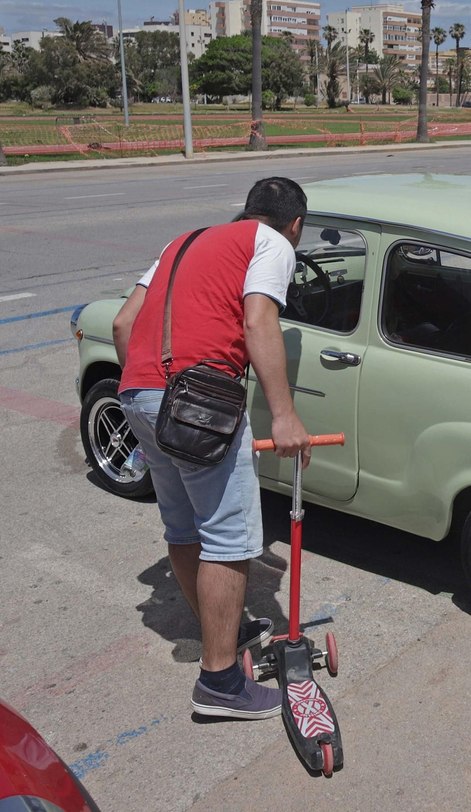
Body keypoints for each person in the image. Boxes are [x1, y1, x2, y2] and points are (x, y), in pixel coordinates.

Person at [111, 177, 314, 719]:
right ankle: (220, 683)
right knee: (229, 539)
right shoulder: (270, 244)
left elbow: (123, 322)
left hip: (138, 393)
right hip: (201, 405)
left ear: (245, 210)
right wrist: (286, 416)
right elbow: (258, 319)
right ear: (295, 225)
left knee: (183, 528)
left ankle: (223, 629)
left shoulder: (182, 242)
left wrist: (152, 394)